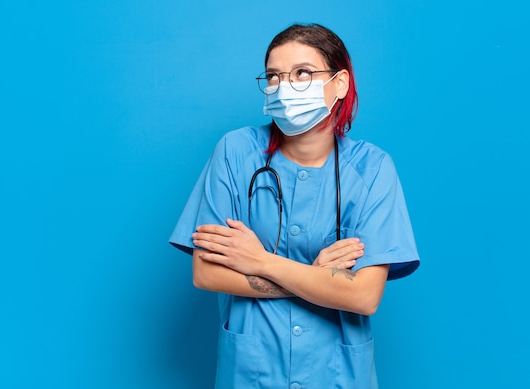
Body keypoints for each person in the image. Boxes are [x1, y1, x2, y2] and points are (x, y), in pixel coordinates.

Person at [169, 23, 420, 389]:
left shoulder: (373, 169)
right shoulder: (235, 152)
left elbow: (364, 296)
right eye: (273, 76)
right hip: (251, 372)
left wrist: (261, 262)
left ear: (340, 83)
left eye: (302, 73)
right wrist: (319, 278)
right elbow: (207, 273)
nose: (284, 87)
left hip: (336, 375)